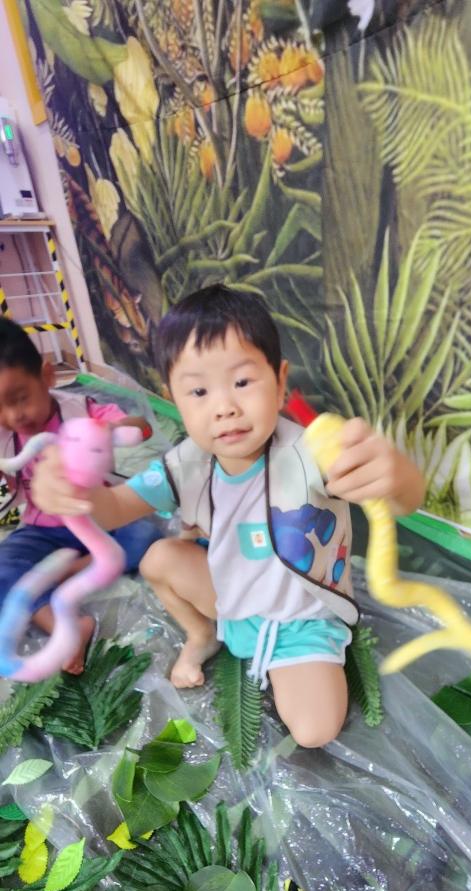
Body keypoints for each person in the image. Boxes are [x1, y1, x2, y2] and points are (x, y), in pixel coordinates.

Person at [31, 286, 425, 744]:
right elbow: (115, 508)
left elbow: (405, 500)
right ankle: (203, 635)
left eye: (242, 382)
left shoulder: (310, 454)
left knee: (314, 731)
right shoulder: (187, 463)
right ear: (173, 398)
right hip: (230, 600)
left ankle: (286, 663)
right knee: (159, 558)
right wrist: (73, 493)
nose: (225, 408)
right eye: (199, 391)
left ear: (279, 382)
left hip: (299, 619)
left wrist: (395, 475)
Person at [0, 317, 162, 674]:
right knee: (4, 568)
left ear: (46, 376)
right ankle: (65, 627)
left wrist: (110, 430)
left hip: (99, 518)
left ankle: (69, 569)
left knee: (146, 533)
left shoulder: (80, 412)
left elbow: (142, 427)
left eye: (20, 398)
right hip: (42, 531)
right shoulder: (5, 437)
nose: (13, 415)